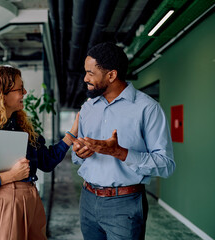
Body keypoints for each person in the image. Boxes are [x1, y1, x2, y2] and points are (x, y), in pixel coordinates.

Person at [0, 65, 79, 240]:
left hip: (31, 200)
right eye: (19, 89)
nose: (25, 92)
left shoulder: (22, 129)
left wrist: (72, 134)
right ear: (1, 94)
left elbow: (47, 161)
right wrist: (9, 176)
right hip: (5, 203)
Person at [69, 42, 176, 240]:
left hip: (125, 205)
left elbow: (166, 165)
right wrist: (78, 152)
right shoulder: (88, 108)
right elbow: (80, 156)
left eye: (90, 73)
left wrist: (119, 152)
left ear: (111, 75)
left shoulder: (148, 109)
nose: (85, 78)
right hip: (87, 199)